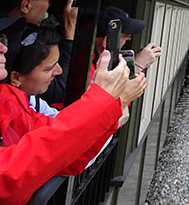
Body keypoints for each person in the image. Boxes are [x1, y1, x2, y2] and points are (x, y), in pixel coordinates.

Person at [0, 16, 147, 204]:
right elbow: (9, 176)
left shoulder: (9, 100)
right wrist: (104, 101)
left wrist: (113, 103)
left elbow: (67, 151)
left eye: (3, 39)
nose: (3, 47)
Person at [0, 0, 78, 105]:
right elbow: (58, 90)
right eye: (48, 0)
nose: (50, 6)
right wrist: (70, 32)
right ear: (26, 5)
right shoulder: (18, 42)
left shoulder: (21, 33)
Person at [4, 26, 63, 118]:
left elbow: (59, 119)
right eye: (48, 69)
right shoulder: (11, 116)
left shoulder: (32, 99)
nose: (59, 71)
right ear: (16, 78)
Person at [93, 6, 161, 77]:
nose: (128, 39)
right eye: (126, 36)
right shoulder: (89, 69)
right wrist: (137, 65)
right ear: (107, 41)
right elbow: (110, 86)